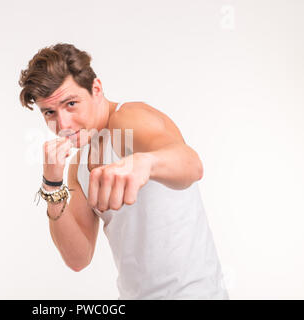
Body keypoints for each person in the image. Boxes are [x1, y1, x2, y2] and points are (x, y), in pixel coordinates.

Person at [18, 43, 229, 300]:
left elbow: (192, 165)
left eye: (71, 104)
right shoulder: (79, 164)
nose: (63, 124)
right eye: (50, 112)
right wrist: (52, 184)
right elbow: (78, 258)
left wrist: (145, 163)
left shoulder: (128, 119)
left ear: (96, 89)